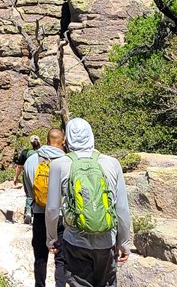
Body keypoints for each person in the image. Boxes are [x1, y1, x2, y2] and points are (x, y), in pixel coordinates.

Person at [44, 118, 132, 287]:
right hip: (106, 242)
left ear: (67, 139)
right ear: (91, 136)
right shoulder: (112, 163)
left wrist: (51, 238)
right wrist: (124, 243)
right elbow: (122, 208)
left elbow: (53, 209)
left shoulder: (59, 165)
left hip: (75, 242)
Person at [23, 128, 67, 287]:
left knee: (40, 258)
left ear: (47, 141)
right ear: (63, 142)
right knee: (61, 260)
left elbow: (29, 192)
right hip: (62, 217)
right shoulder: (68, 162)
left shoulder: (31, 161)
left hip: (40, 215)